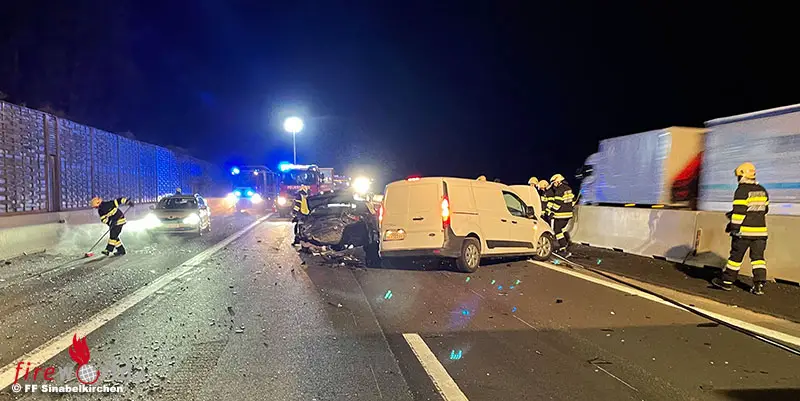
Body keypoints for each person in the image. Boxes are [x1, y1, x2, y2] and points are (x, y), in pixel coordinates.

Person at [712, 162, 769, 295]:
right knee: (758, 259)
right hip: (761, 233)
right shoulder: (762, 190)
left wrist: (733, 227)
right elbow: (764, 209)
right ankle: (759, 285)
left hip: (744, 232)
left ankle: (727, 281)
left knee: (735, 258)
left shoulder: (741, 191)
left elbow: (739, 213)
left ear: (742, 176)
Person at [549, 174, 575, 255]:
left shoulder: (559, 190)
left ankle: (563, 247)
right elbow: (573, 201)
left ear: (558, 181)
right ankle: (568, 241)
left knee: (557, 230)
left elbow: (557, 203)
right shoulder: (568, 189)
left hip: (561, 214)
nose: (554, 185)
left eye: (554, 183)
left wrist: (551, 211)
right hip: (568, 214)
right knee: (562, 228)